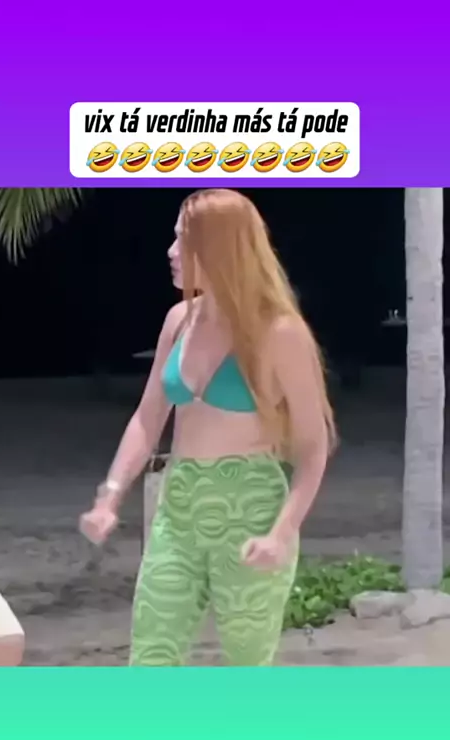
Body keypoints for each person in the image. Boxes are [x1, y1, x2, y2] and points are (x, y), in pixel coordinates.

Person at [80, 189, 336, 667]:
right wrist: (110, 495)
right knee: (151, 657)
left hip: (251, 510)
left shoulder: (280, 333)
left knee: (247, 664)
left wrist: (281, 532)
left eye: (184, 240)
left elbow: (313, 447)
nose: (171, 251)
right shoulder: (179, 320)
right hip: (180, 507)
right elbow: (148, 417)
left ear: (219, 248)